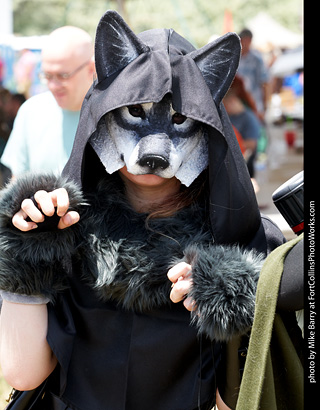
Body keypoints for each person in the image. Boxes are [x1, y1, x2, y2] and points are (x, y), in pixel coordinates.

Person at [0, 11, 285, 410]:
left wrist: (234, 305)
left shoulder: (249, 243)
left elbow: (248, 398)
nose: (154, 148)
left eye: (180, 120)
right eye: (135, 112)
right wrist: (25, 250)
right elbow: (24, 371)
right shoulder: (61, 229)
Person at [0, 26, 95, 178]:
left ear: (91, 69)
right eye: (47, 75)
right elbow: (16, 184)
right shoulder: (31, 112)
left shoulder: (111, 113)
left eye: (63, 75)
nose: (53, 86)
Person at [237, 28, 269, 120]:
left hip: (255, 101)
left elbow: (264, 82)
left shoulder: (256, 59)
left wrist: (265, 105)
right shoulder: (235, 59)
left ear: (250, 41)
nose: (245, 44)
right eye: (243, 40)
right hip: (240, 102)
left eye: (248, 41)